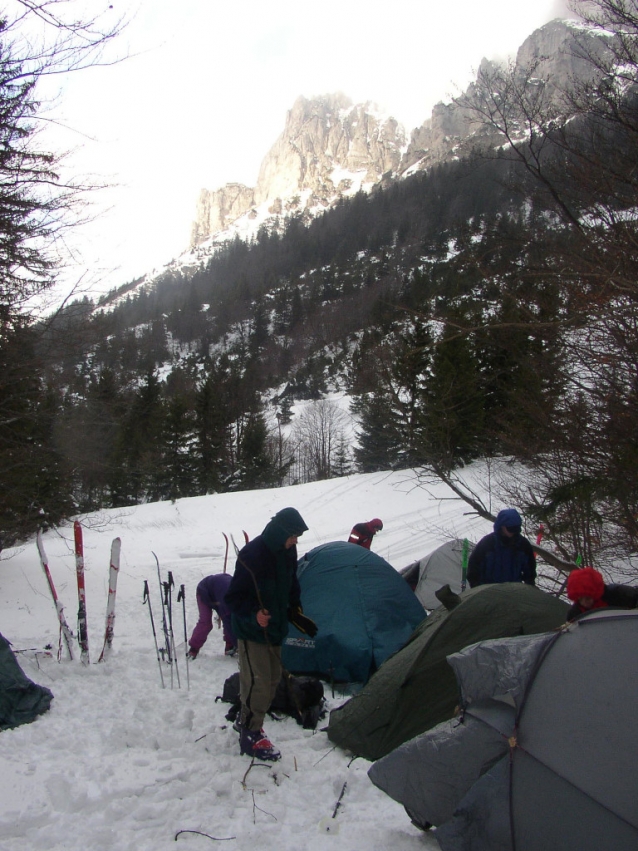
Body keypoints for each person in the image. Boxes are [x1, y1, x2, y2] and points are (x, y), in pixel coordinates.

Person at [225, 507, 317, 761]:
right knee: (259, 681)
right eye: (293, 536)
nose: (296, 541)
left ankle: (245, 719)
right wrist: (254, 613)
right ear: (281, 532)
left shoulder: (287, 551)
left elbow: (291, 583)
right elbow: (233, 598)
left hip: (275, 628)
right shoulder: (252, 554)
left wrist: (295, 610)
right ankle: (250, 732)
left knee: (273, 678)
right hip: (251, 630)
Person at [467, 508, 536, 588]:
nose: (513, 532)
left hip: (514, 591)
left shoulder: (523, 545)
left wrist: (529, 586)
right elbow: (474, 567)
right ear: (502, 526)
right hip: (488, 590)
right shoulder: (487, 543)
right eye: (510, 529)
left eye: (516, 529)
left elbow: (530, 569)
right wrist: (477, 586)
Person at [187, 573, 237, 659]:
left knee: (232, 618)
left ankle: (230, 646)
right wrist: (239, 644)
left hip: (219, 589)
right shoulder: (227, 600)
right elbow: (228, 621)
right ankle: (194, 648)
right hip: (204, 590)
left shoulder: (240, 595)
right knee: (205, 622)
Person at [566, 566, 638, 620]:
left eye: (587, 598)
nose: (584, 602)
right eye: (580, 599)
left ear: (595, 594)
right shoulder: (575, 614)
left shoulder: (620, 594)